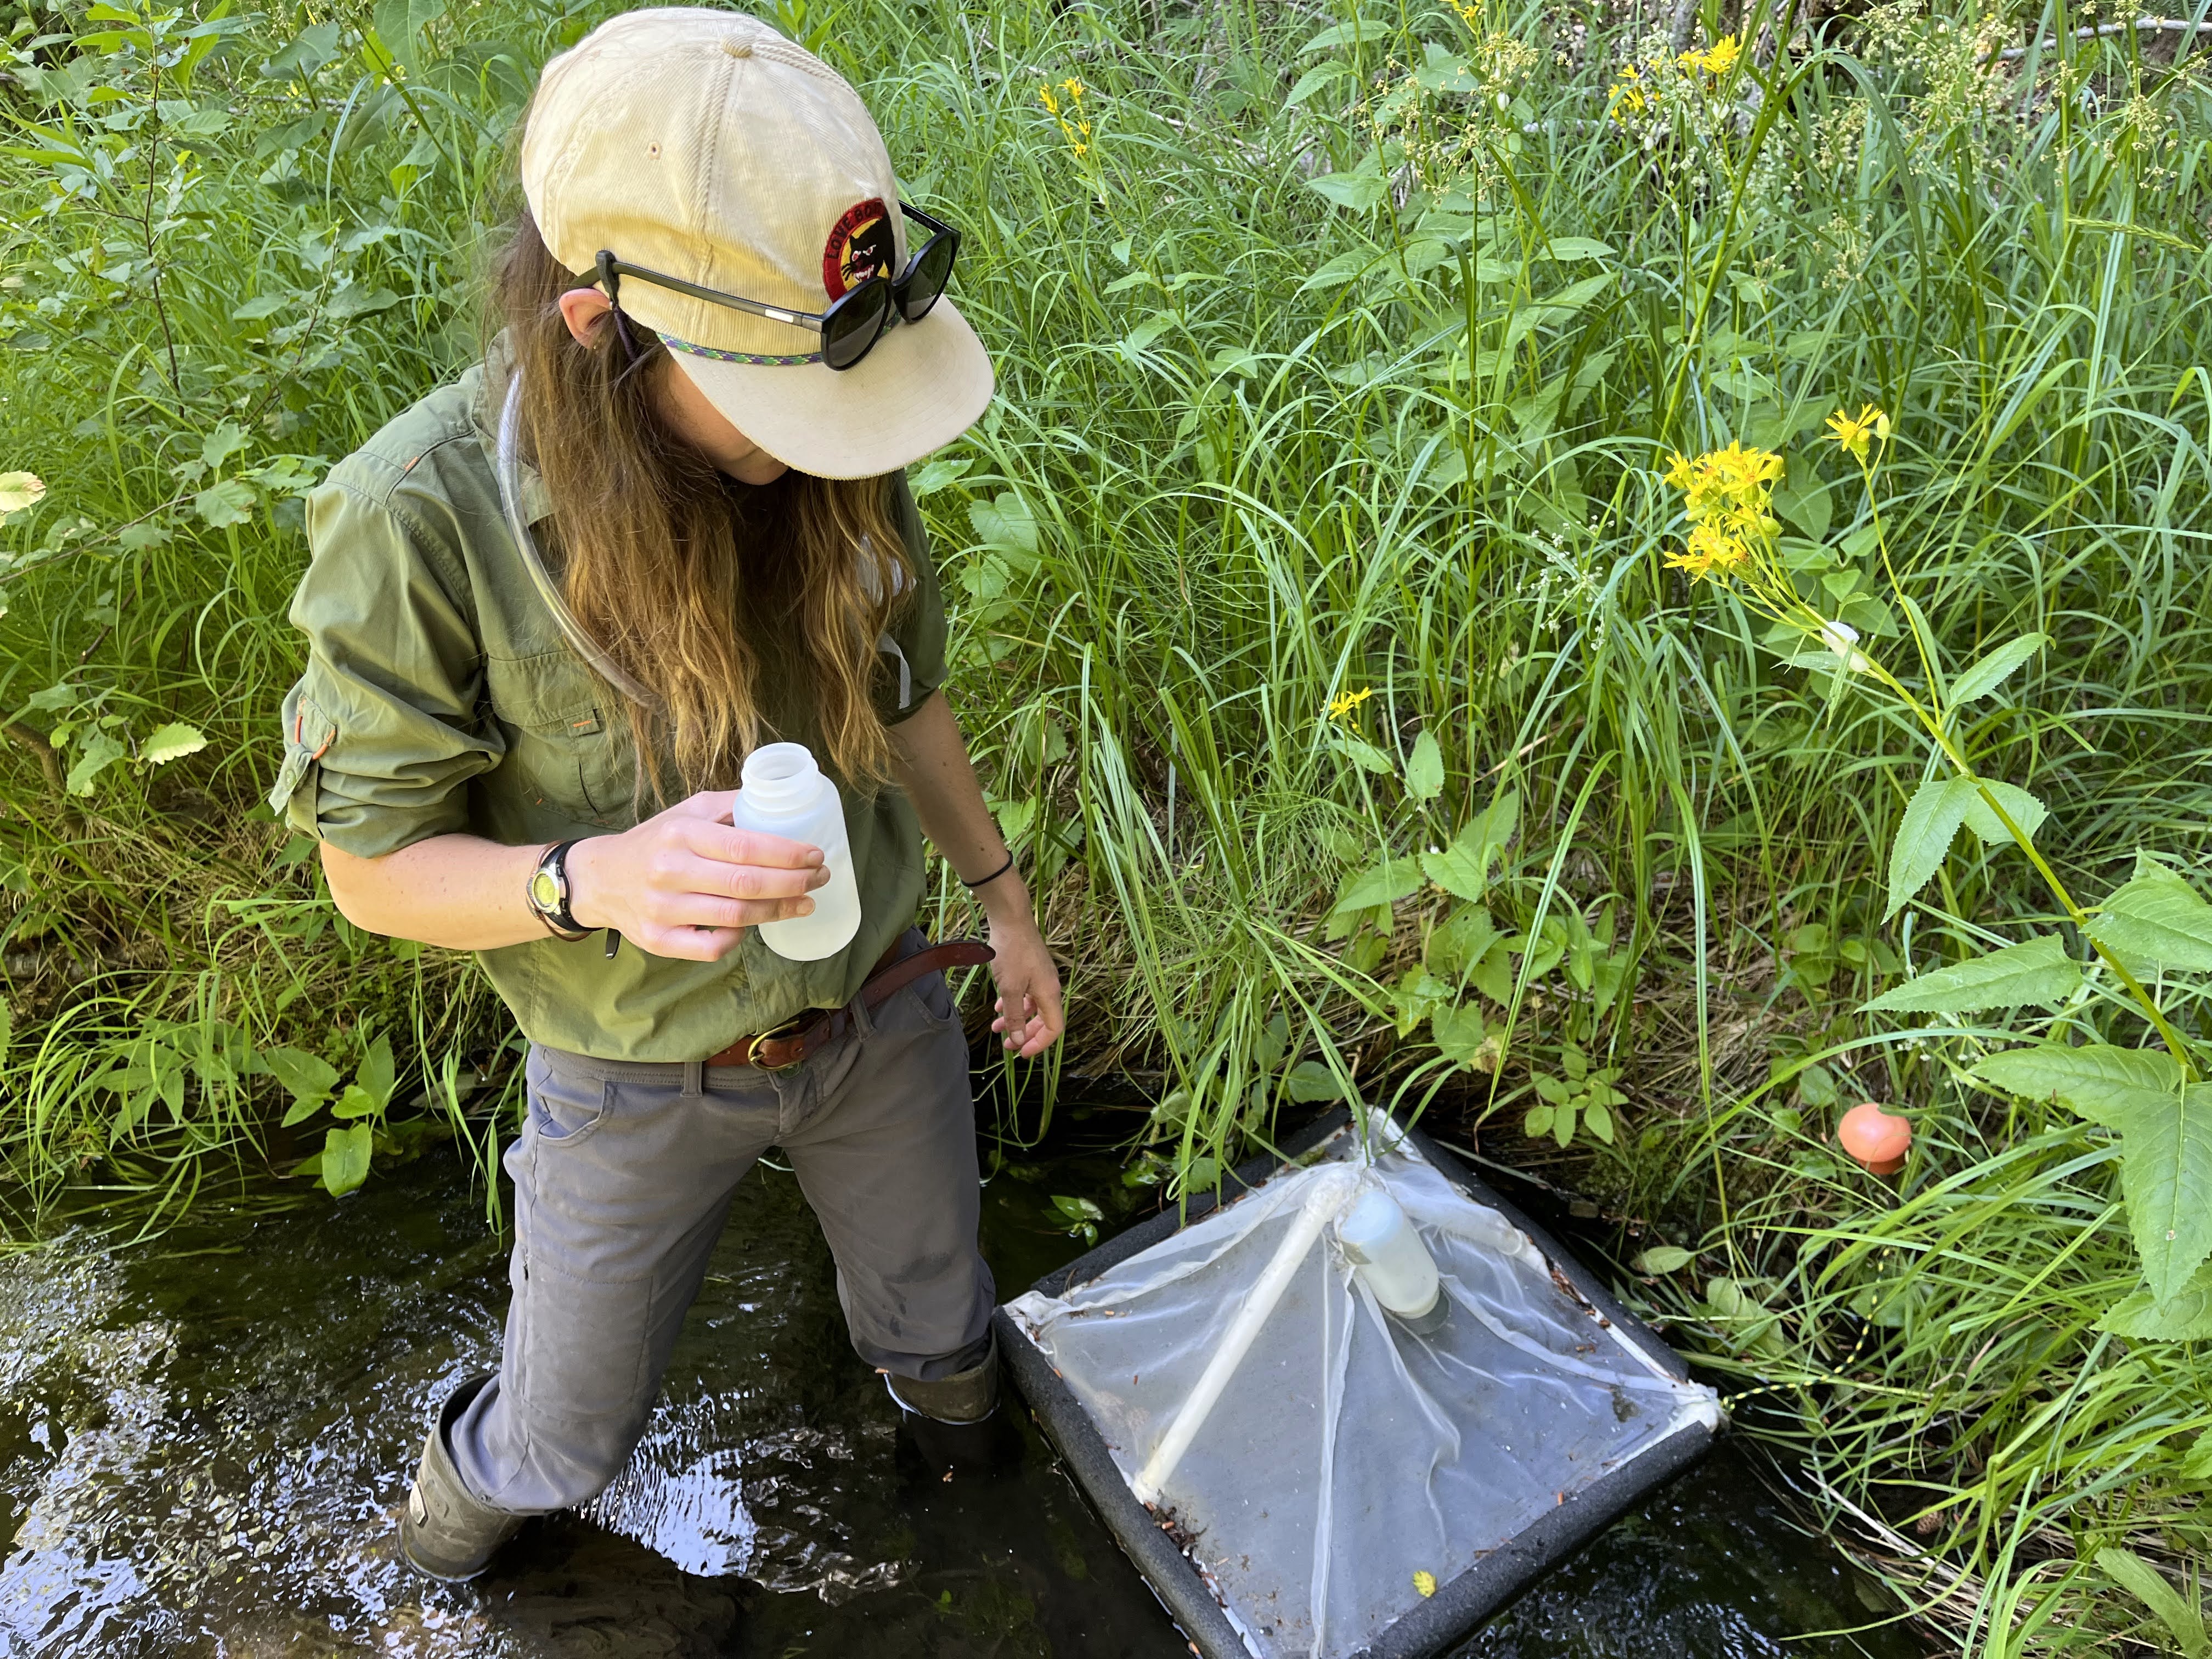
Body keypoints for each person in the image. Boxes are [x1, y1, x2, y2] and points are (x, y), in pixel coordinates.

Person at [266, 5, 1065, 1583]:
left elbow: (905, 691)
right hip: (630, 1064)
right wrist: (592, 879)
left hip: (879, 1007)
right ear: (595, 327)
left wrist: (1005, 903)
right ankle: (423, 1576)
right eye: (775, 406)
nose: (824, 443)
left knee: (948, 1336)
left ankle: (984, 1553)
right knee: (563, 1441)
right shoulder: (416, 519)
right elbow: (372, 870)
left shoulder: (838, 422)